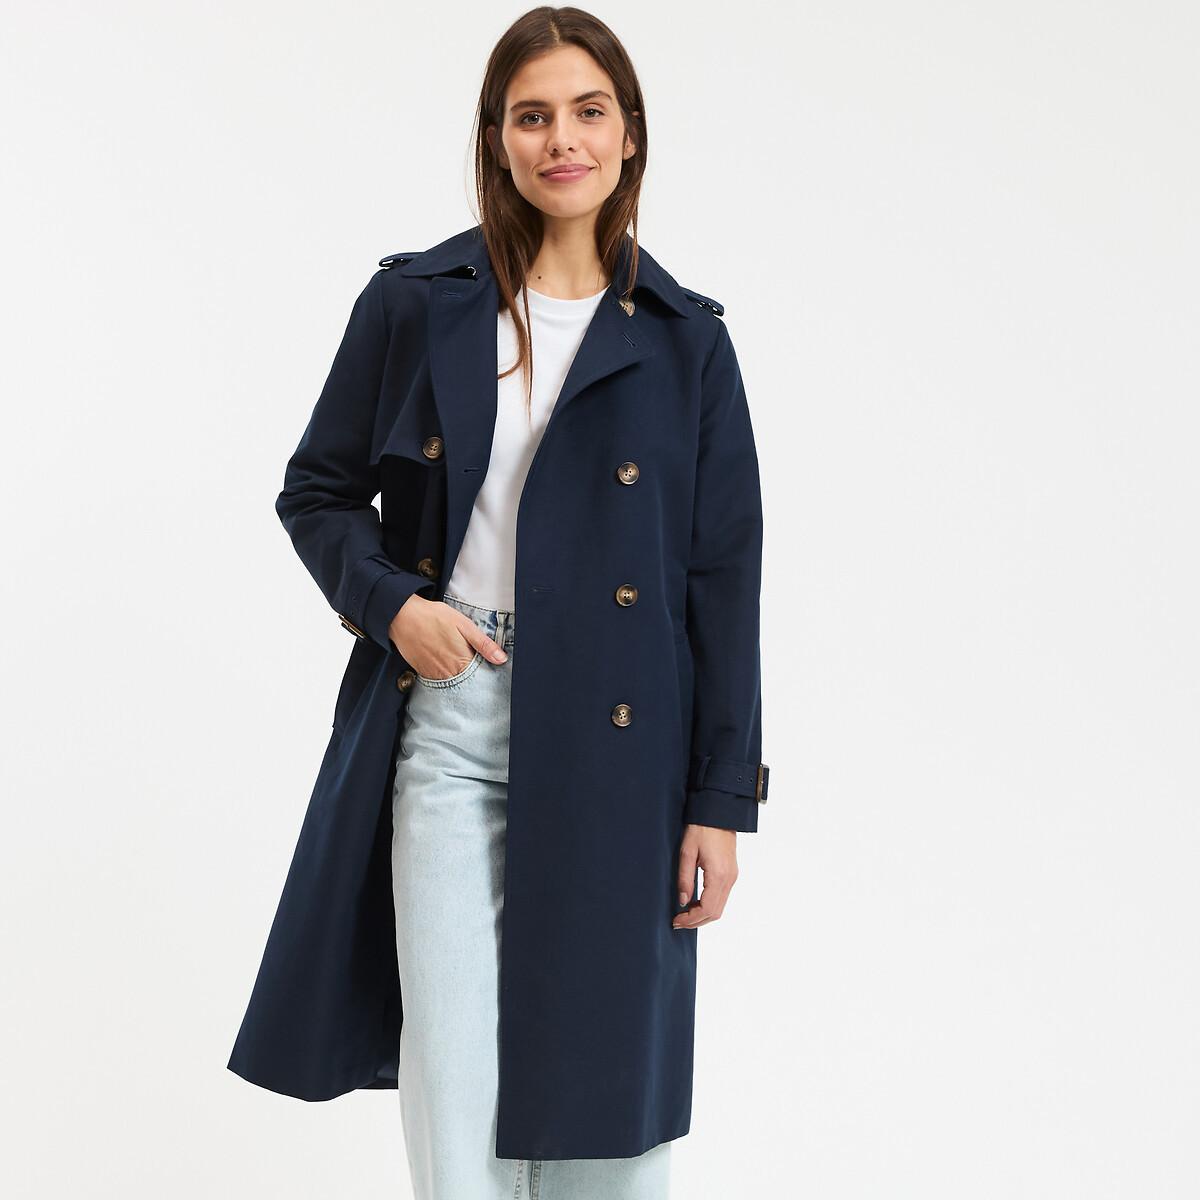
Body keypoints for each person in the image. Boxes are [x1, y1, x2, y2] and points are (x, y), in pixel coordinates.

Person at [229, 7, 768, 1198]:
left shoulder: (687, 343)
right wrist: (394, 607)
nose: (561, 140)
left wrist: (721, 803)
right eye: (532, 116)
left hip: (624, 744)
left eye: (588, 112)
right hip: (454, 719)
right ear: (496, 137)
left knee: (605, 1109)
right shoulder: (418, 302)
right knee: (456, 1084)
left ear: (630, 134)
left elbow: (722, 581)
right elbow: (317, 491)